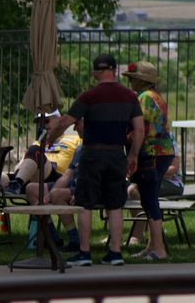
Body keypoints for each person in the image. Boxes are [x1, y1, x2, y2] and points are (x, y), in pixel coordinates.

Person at [45, 53, 144, 266]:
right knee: (115, 205)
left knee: (85, 204)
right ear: (115, 70)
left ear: (95, 73)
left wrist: (49, 140)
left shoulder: (88, 96)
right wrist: (133, 154)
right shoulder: (130, 96)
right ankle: (115, 253)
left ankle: (84, 253)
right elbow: (139, 129)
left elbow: (65, 123)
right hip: (117, 154)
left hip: (92, 154)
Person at [124, 60, 174, 261]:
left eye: (133, 79)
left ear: (141, 80)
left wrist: (133, 154)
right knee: (147, 198)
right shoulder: (156, 97)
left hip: (151, 153)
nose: (130, 83)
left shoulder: (144, 98)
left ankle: (159, 249)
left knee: (150, 200)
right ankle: (151, 246)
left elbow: (140, 129)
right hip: (163, 152)